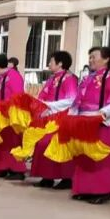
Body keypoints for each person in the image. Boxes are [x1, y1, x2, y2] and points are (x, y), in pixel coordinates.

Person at [70, 47, 110, 204]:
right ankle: (86, 189)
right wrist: (73, 114)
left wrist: (101, 114)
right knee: (85, 155)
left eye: (94, 57)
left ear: (106, 59)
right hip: (84, 120)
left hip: (101, 121)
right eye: (90, 57)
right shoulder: (88, 78)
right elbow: (78, 99)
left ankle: (104, 191)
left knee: (101, 157)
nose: (91, 60)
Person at [31, 51, 79, 190]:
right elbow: (42, 97)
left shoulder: (70, 79)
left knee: (59, 146)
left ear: (60, 63)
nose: (49, 64)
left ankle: (67, 178)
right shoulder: (52, 79)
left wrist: (50, 106)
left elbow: (71, 100)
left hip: (63, 118)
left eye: (51, 61)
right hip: (49, 117)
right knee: (42, 145)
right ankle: (47, 177)